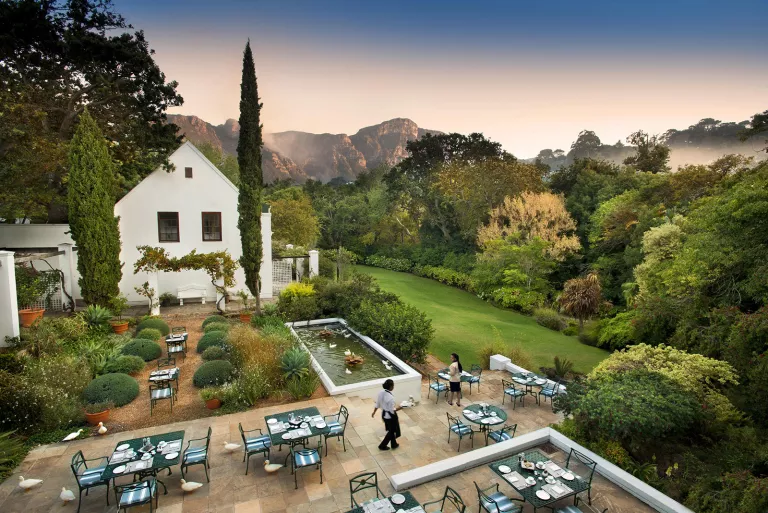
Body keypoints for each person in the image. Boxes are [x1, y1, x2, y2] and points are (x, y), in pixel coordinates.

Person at [372, 379, 402, 450]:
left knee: (391, 430)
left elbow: (377, 404)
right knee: (392, 431)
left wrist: (374, 412)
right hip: (390, 417)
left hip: (384, 415)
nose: (393, 387)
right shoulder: (390, 398)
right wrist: (401, 407)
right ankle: (382, 446)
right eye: (393, 385)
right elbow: (392, 411)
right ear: (391, 386)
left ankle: (394, 444)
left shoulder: (381, 392)